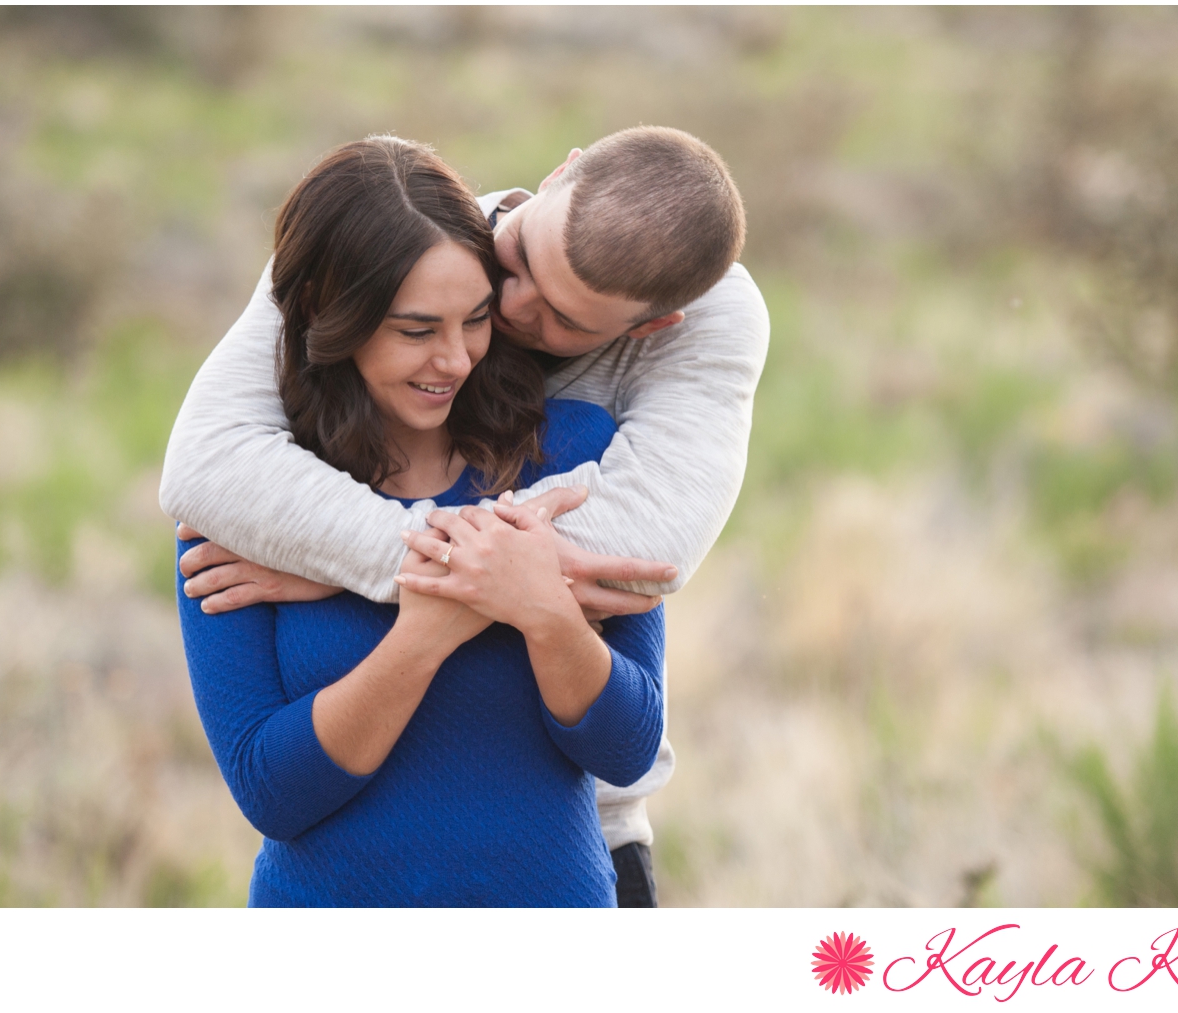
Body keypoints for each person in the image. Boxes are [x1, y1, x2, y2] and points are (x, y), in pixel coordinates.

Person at [161, 126, 763, 906]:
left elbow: (643, 573)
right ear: (559, 171)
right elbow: (269, 790)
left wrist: (394, 571)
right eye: (511, 268)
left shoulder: (581, 451)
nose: (503, 320)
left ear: (644, 329)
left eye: (562, 319)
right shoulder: (262, 490)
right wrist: (437, 585)